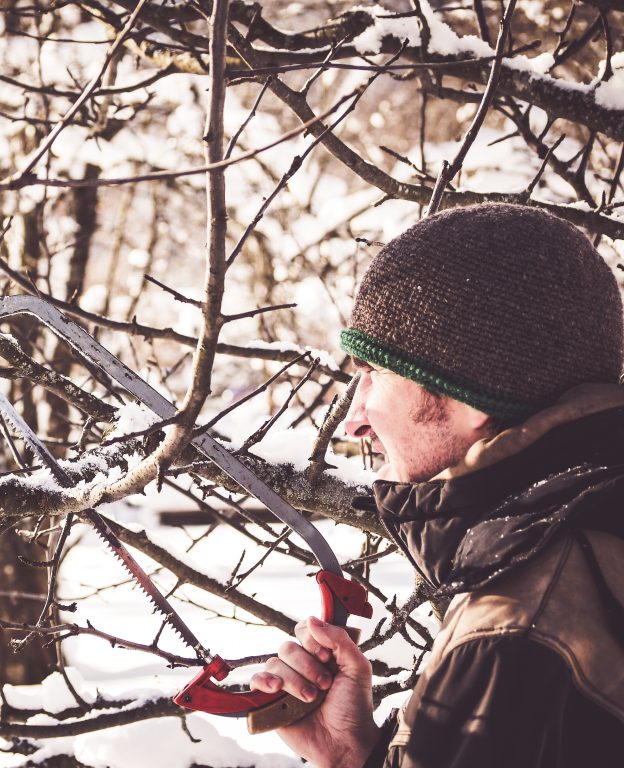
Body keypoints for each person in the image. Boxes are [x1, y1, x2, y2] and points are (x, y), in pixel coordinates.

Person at [250, 203, 624, 767]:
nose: (354, 418)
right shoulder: (591, 538)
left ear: (470, 394)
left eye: (375, 374)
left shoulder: (517, 626)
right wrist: (360, 755)